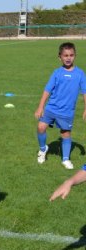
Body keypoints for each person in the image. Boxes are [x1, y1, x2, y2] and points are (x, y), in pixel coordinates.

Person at [35, 42, 86, 170]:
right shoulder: (56, 73)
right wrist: (41, 107)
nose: (68, 58)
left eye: (71, 55)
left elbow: (85, 92)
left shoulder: (80, 74)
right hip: (51, 108)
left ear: (75, 56)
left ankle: (65, 159)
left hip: (67, 112)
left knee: (65, 134)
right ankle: (42, 150)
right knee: (41, 127)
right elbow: (47, 90)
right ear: (60, 57)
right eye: (65, 55)